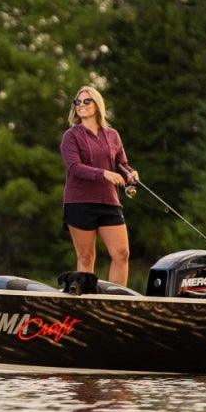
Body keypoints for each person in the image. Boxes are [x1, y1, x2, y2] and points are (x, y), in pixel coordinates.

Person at [59, 85, 139, 286]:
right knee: (86, 257)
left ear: (97, 105)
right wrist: (104, 174)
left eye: (87, 101)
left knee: (122, 254)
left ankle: (115, 303)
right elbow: (75, 167)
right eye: (77, 102)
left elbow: (122, 164)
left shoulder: (112, 135)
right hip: (80, 202)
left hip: (109, 202)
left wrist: (130, 174)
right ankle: (87, 306)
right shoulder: (71, 136)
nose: (81, 105)